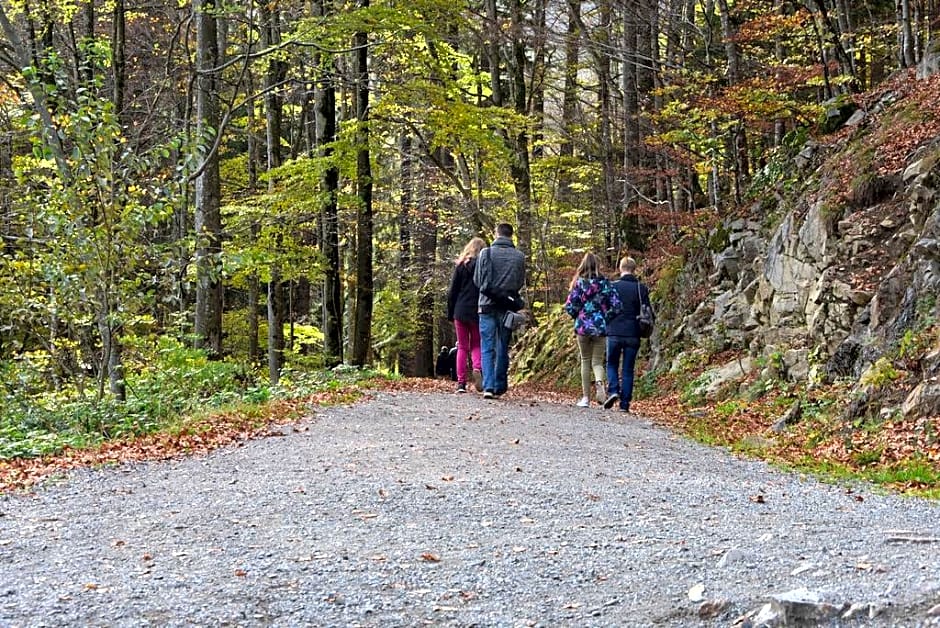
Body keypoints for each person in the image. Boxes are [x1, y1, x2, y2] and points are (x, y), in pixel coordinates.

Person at [474, 223, 526, 399]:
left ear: (496, 234)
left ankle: (488, 386)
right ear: (511, 235)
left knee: (487, 346)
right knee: (502, 345)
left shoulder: (485, 253)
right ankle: (499, 385)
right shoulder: (519, 257)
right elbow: (520, 281)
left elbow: (478, 280)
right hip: (507, 307)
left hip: (486, 305)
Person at [564, 252, 621, 407]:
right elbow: (617, 305)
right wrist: (605, 317)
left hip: (582, 326)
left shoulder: (578, 283)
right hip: (600, 327)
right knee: (597, 362)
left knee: (585, 360)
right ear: (598, 265)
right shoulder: (605, 283)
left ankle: (585, 399)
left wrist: (577, 315)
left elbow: (570, 306)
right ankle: (600, 384)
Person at [604, 256, 653, 413]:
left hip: (614, 332)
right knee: (628, 369)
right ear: (634, 268)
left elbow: (606, 309)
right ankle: (625, 404)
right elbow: (647, 311)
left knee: (611, 363)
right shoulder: (641, 288)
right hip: (633, 333)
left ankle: (613, 391)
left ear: (620, 268)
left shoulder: (612, 287)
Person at [446, 237, 487, 393]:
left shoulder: (461, 266)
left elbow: (452, 292)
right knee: (477, 344)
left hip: (460, 310)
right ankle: (477, 368)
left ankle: (461, 383)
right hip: (477, 310)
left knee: (462, 347)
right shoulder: (483, 268)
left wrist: (451, 313)